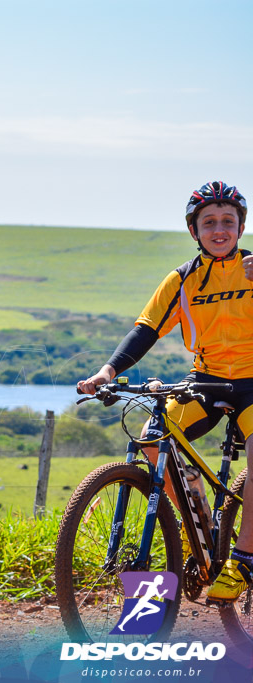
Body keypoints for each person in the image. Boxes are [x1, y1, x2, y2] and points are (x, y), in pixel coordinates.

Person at [77, 181, 253, 604]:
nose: (219, 230)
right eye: (208, 222)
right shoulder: (182, 280)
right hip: (207, 377)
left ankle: (244, 557)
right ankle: (202, 530)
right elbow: (146, 329)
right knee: (153, 440)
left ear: (241, 227)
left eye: (228, 221)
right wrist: (107, 371)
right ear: (194, 230)